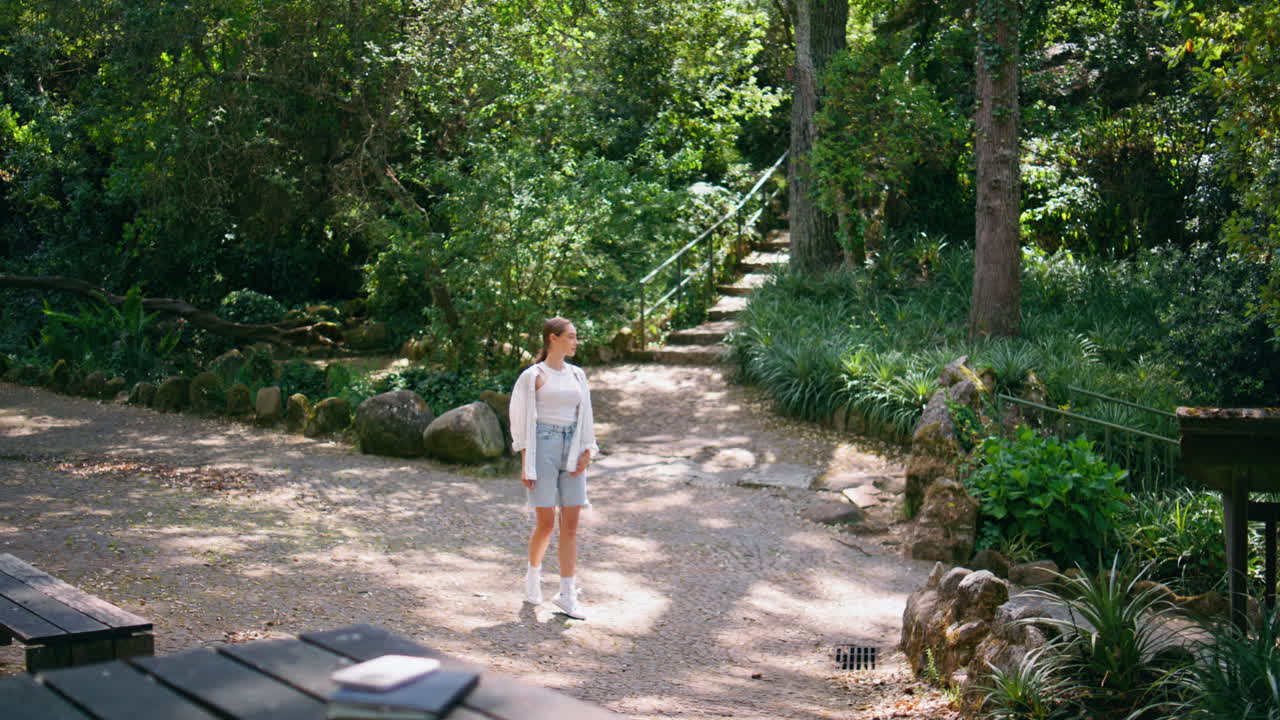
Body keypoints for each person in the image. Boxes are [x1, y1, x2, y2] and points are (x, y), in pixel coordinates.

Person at [508, 316, 598, 619]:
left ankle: (567, 593)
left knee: (571, 524)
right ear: (553, 339)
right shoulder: (533, 375)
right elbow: (519, 418)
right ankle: (533, 577)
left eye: (575, 337)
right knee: (546, 523)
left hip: (572, 448)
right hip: (542, 447)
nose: (575, 342)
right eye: (570, 336)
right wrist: (525, 462)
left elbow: (586, 415)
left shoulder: (578, 375)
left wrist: (588, 449)